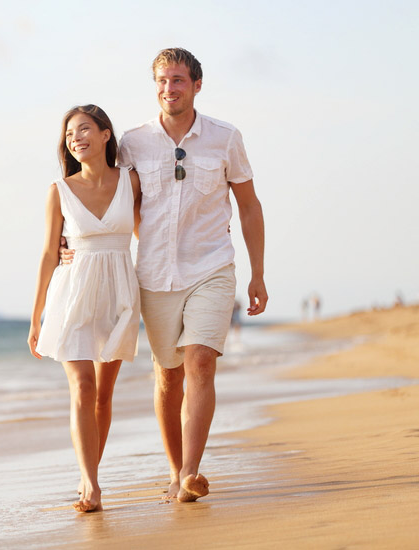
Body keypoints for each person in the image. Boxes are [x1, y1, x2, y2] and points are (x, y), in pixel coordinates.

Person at [61, 48, 267, 503]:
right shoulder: (134, 143)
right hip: (153, 275)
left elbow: (250, 208)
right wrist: (70, 239)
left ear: (196, 85)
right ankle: (175, 472)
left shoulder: (225, 138)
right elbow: (107, 195)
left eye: (177, 80)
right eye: (161, 81)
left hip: (212, 266)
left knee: (199, 362)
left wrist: (258, 273)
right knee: (168, 377)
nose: (168, 89)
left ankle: (192, 472)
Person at [28, 104, 142, 513]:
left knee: (103, 396)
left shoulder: (132, 181)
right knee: (83, 385)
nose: (75, 138)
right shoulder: (59, 191)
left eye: (84, 129)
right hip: (72, 293)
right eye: (70, 134)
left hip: (119, 292)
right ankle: (91, 484)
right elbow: (47, 253)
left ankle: (88, 471)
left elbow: (154, 227)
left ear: (106, 134)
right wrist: (36, 315)